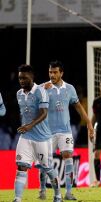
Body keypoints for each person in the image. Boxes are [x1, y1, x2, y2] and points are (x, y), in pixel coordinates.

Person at [38, 61, 95, 200]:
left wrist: (89, 123)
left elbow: (78, 106)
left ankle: (69, 192)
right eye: (50, 72)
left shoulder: (69, 88)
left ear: (61, 73)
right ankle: (42, 190)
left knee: (68, 157)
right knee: (45, 162)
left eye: (55, 72)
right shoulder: (42, 87)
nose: (52, 75)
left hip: (65, 130)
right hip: (47, 132)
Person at [14, 64, 62, 202]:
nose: (21, 81)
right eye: (20, 78)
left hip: (42, 138)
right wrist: (25, 127)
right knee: (21, 167)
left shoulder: (41, 92)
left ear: (32, 77)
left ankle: (58, 195)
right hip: (26, 136)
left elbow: (44, 113)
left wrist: (29, 125)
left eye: (24, 78)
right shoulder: (19, 94)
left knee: (47, 168)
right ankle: (17, 199)